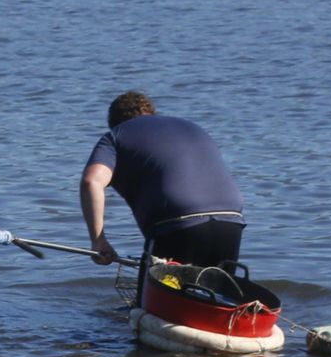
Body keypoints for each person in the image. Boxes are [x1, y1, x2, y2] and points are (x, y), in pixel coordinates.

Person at [80, 90, 248, 273]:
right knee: (215, 295)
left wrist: (98, 241)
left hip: (178, 223)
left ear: (114, 123)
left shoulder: (115, 136)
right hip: (231, 220)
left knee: (157, 299)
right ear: (151, 113)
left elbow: (92, 181)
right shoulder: (191, 126)